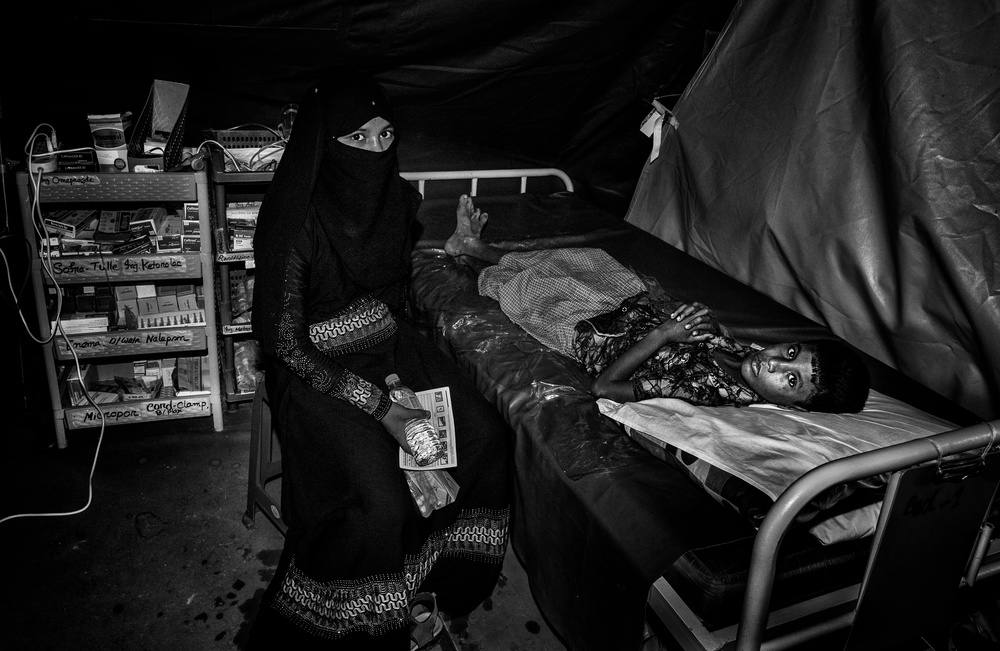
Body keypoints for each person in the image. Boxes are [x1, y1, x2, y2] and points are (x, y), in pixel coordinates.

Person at [248, 73, 511, 650]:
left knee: (485, 435)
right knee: (379, 491)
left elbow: (397, 289)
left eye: (385, 134)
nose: (375, 151)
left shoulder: (394, 199)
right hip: (314, 371)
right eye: (357, 139)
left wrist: (455, 256)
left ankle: (439, 590)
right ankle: (362, 622)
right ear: (325, 143)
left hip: (390, 347)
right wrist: (382, 407)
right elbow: (287, 345)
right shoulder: (295, 222)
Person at [444, 195, 870, 414]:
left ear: (794, 407)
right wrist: (702, 324)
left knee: (533, 284)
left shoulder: (706, 393)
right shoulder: (747, 358)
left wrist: (665, 334)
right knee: (585, 261)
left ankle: (469, 252)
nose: (776, 363)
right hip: (627, 306)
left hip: (593, 334)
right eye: (792, 353)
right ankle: (477, 246)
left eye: (791, 382)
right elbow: (709, 342)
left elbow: (604, 388)